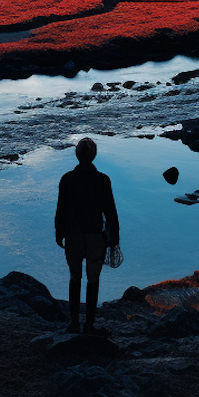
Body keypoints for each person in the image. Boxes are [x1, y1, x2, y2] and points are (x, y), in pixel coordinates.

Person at [54, 136, 119, 334]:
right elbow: (110, 213)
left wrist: (59, 233)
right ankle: (89, 325)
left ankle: (74, 323)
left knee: (75, 278)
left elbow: (61, 210)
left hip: (73, 237)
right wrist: (114, 240)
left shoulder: (67, 179)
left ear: (77, 155)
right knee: (93, 280)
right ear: (94, 155)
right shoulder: (103, 180)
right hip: (95, 238)